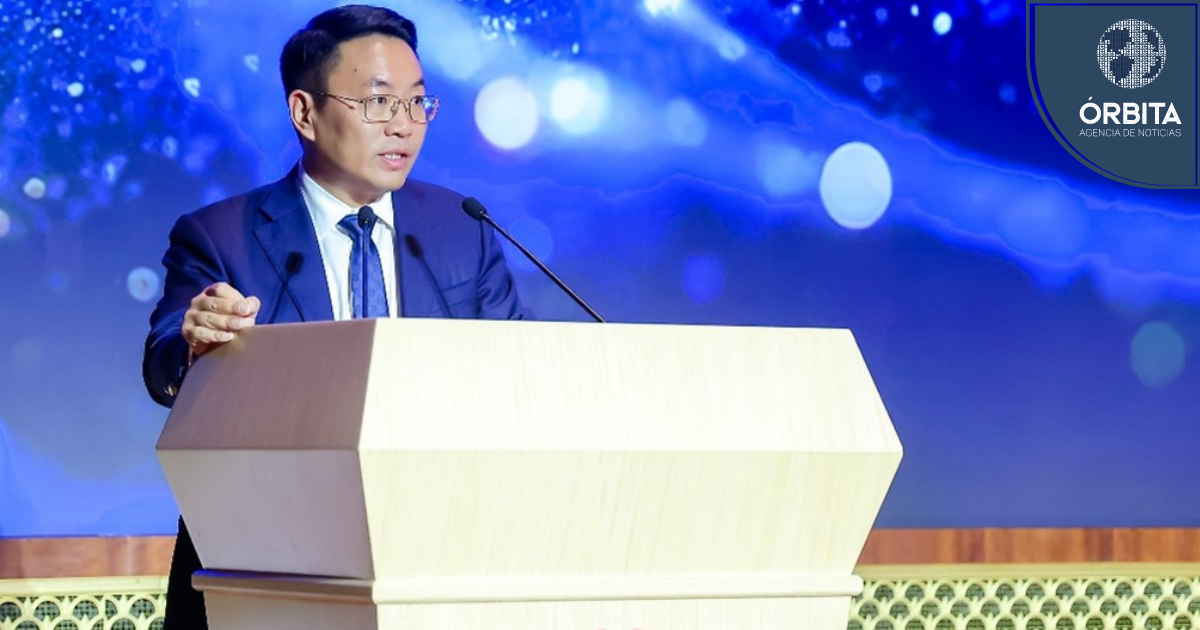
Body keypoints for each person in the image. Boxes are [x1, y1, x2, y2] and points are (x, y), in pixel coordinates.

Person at [142, 5, 529, 628]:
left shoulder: (462, 229)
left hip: (439, 554)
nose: (404, 125)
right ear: (305, 113)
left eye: (417, 103)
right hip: (269, 557)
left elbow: (520, 374)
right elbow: (164, 362)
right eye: (378, 102)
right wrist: (195, 340)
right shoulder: (220, 236)